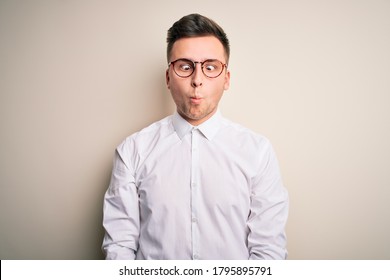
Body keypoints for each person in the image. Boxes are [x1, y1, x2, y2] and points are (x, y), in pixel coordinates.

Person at [102, 13, 289, 260]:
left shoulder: (257, 152)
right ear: (168, 77)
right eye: (185, 67)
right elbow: (119, 248)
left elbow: (268, 252)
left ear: (226, 79)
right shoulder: (132, 151)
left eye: (210, 67)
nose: (197, 80)